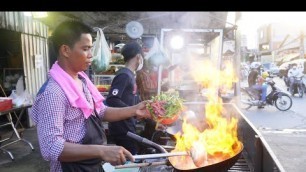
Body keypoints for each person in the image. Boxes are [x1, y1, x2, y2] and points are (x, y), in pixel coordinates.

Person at [30, 20, 150, 172]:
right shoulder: (53, 93)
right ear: (66, 50)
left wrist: (134, 110)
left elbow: (100, 111)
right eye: (85, 49)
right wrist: (102, 150)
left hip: (91, 165)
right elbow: (51, 147)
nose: (91, 55)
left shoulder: (82, 80)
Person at [105, 41, 144, 155]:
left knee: (131, 156)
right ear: (138, 57)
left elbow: (130, 99)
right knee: (130, 157)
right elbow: (112, 99)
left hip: (128, 125)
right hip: (121, 128)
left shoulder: (131, 75)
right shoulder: (124, 75)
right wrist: (133, 111)